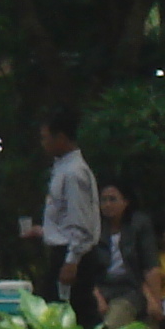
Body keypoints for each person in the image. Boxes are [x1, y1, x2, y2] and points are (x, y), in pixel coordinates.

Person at [28, 111, 98, 316]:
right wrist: (45, 230)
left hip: (72, 253)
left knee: (75, 312)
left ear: (60, 138)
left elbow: (81, 221)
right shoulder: (62, 168)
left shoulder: (74, 172)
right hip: (64, 249)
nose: (43, 143)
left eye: (45, 138)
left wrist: (72, 260)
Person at [79, 180, 162, 329]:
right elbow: (85, 269)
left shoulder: (139, 225)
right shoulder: (93, 228)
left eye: (113, 199)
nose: (107, 205)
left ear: (125, 202)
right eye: (103, 200)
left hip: (129, 288)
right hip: (99, 287)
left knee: (113, 323)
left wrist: (155, 301)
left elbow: (151, 267)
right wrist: (98, 298)